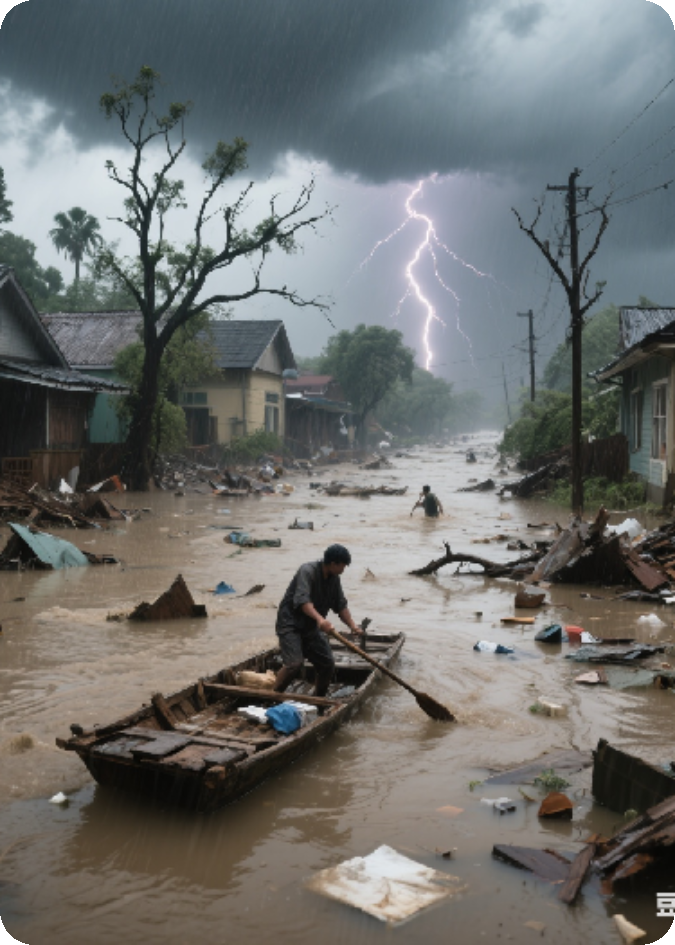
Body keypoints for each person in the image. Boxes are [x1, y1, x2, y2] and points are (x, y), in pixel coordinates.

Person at [274, 544, 362, 697]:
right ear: (333, 563)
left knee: (327, 665)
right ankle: (271, 697)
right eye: (342, 566)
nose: (343, 570)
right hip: (290, 624)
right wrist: (321, 620)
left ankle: (318, 701)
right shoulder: (307, 571)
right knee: (294, 664)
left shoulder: (334, 580)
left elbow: (340, 605)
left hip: (310, 627)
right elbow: (303, 602)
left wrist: (353, 626)